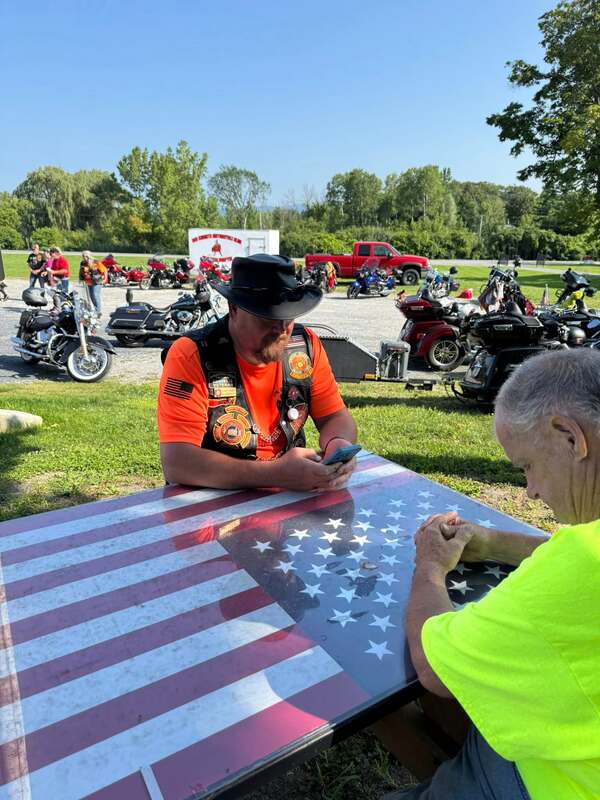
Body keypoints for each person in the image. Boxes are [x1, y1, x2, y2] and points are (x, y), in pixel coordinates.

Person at [382, 348, 600, 800]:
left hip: (557, 781)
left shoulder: (578, 566)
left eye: (527, 467)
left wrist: (430, 566)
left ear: (570, 438)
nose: (531, 491)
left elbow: (433, 668)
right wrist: (493, 542)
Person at [158, 253, 357, 492]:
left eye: (288, 316)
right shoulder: (192, 354)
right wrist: (276, 474)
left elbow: (335, 417)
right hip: (214, 501)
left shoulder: (304, 346)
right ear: (233, 309)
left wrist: (338, 442)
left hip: (289, 494)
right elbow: (178, 462)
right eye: (267, 316)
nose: (281, 329)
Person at [79, 250, 108, 315]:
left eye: (85, 256)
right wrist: (81, 278)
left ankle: (98, 311)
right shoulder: (82, 263)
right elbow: (81, 271)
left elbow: (104, 270)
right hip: (89, 282)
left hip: (97, 281)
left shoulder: (96, 262)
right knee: (91, 296)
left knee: (95, 295)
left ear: (88, 256)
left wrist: (105, 279)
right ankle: (95, 309)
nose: (84, 258)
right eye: (83, 256)